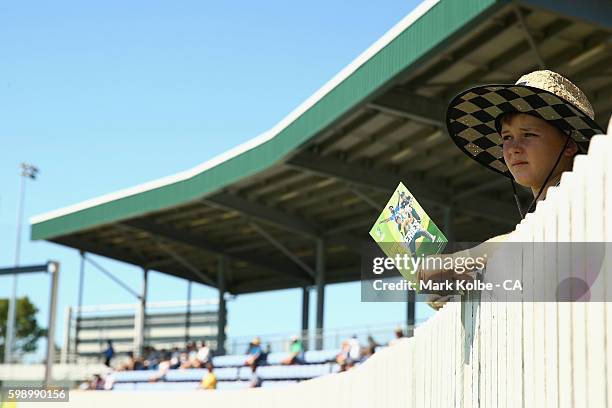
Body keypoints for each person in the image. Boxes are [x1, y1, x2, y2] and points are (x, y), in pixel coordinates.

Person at [419, 70, 604, 308]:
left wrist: (466, 259)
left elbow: (534, 238)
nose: (513, 148)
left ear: (569, 144)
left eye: (528, 134)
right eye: (506, 137)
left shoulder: (587, 198)